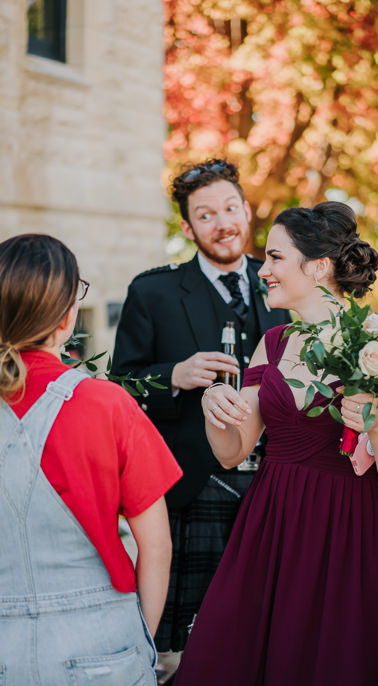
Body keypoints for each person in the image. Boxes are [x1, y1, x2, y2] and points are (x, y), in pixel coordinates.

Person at [164, 202, 378, 686]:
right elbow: (234, 453)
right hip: (271, 532)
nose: (262, 269)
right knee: (226, 669)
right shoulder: (274, 343)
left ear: (318, 267)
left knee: (330, 681)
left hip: (349, 537)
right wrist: (218, 412)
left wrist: (377, 427)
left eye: (276, 256)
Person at [0, 234, 182, 686]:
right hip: (101, 637)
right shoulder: (106, 403)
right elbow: (157, 547)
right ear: (65, 317)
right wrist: (140, 642)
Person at [111, 158, 290, 657]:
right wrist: (173, 374)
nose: (224, 222)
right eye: (207, 214)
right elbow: (121, 383)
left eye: (231, 208)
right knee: (202, 630)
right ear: (188, 227)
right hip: (196, 483)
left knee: (270, 620)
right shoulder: (153, 291)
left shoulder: (281, 281)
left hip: (280, 477)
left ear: (247, 211)